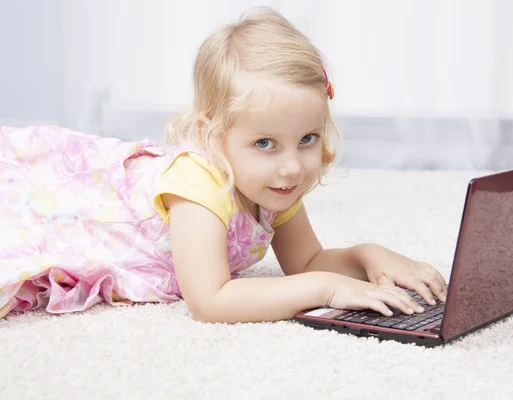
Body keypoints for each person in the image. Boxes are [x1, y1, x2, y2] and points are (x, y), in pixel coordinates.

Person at [0, 7, 447, 322]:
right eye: (266, 143)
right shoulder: (200, 183)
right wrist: (328, 290)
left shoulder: (273, 184)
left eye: (307, 139)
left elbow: (306, 260)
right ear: (215, 137)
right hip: (77, 208)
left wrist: (368, 256)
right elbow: (210, 300)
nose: (292, 167)